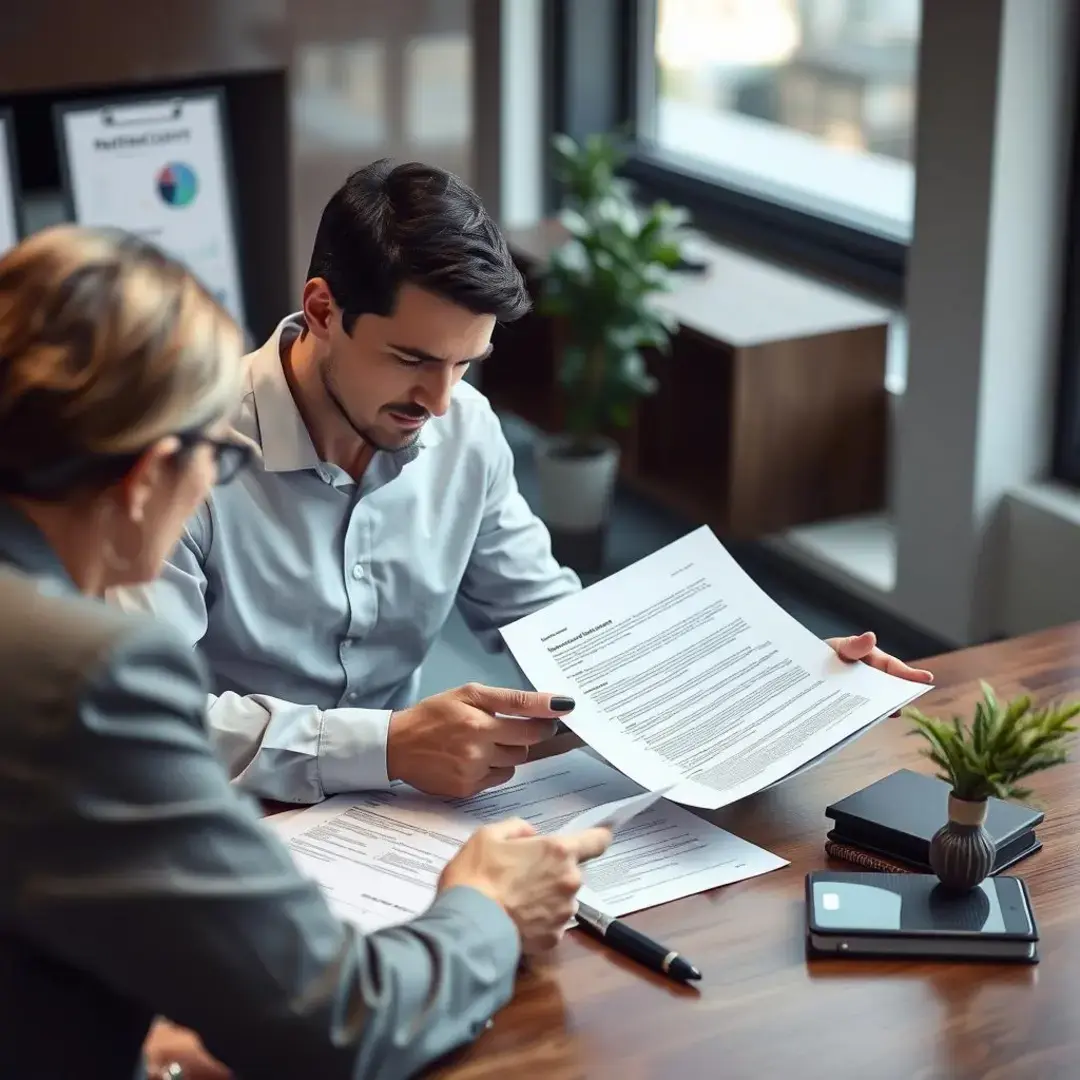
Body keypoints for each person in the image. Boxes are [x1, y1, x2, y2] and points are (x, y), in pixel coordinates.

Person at [116, 159, 934, 807]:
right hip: (216, 819)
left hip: (401, 816)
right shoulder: (177, 457)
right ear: (324, 310)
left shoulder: (464, 431)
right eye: (412, 359)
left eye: (466, 363)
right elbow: (139, 725)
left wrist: (768, 674)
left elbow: (562, 634)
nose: (439, 401)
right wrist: (389, 744)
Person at [0, 225, 611, 1080]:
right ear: (146, 477)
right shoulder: (82, 676)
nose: (439, 398)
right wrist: (490, 908)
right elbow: (341, 1024)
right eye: (210, 458)